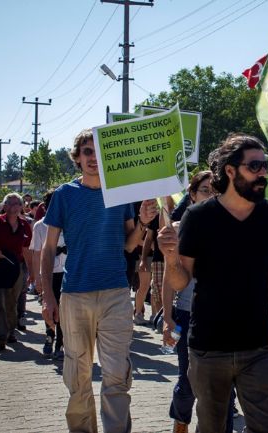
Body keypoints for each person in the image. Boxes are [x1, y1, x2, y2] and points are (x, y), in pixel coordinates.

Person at [159, 133, 268, 433]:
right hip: (208, 348)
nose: (263, 175)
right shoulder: (198, 217)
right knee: (212, 427)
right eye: (254, 166)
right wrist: (170, 258)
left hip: (259, 346)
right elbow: (181, 282)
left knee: (266, 427)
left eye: (265, 167)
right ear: (230, 171)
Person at [40, 128, 158, 433]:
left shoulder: (119, 194)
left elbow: (129, 244)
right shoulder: (65, 195)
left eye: (99, 152)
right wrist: (47, 297)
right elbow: (49, 247)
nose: (93, 158)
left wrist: (144, 222)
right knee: (77, 376)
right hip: (75, 294)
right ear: (77, 158)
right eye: (87, 152)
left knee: (117, 374)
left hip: (116, 293)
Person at [162, 171, 219, 433]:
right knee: (187, 380)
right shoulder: (177, 229)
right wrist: (167, 317)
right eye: (205, 190)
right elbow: (168, 277)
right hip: (186, 313)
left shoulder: (229, 225)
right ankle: (181, 421)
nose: (211, 195)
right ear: (193, 195)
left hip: (220, 315)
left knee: (220, 382)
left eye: (215, 190)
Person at [0, 192, 33, 351]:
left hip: (16, 268)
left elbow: (26, 250)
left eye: (18, 203)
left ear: (22, 206)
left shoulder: (25, 226)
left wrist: (32, 272)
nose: (15, 206)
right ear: (4, 206)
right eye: (11, 203)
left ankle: (10, 331)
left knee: (12, 302)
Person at [29, 189, 66, 360]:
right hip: (49, 273)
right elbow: (36, 253)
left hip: (66, 272)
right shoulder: (39, 225)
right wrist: (37, 278)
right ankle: (49, 336)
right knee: (50, 307)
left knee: (64, 309)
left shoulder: (70, 222)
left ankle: (61, 343)